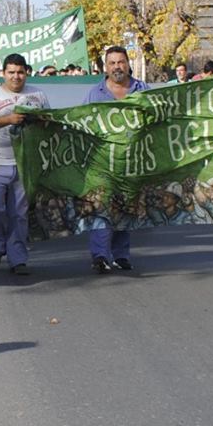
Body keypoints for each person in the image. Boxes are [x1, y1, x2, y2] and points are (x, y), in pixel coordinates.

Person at [0, 54, 46, 276]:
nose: (16, 77)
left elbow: (46, 122)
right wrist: (8, 119)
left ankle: (18, 259)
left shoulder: (37, 95)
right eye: (11, 72)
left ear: (27, 73)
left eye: (20, 72)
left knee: (19, 214)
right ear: (3, 73)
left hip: (25, 163)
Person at [82, 44, 150, 273]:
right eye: (112, 63)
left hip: (132, 161)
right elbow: (82, 123)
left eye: (121, 62)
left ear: (128, 64)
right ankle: (100, 256)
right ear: (105, 67)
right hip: (102, 161)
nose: (117, 67)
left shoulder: (143, 89)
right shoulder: (94, 93)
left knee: (124, 208)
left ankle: (121, 255)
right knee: (101, 208)